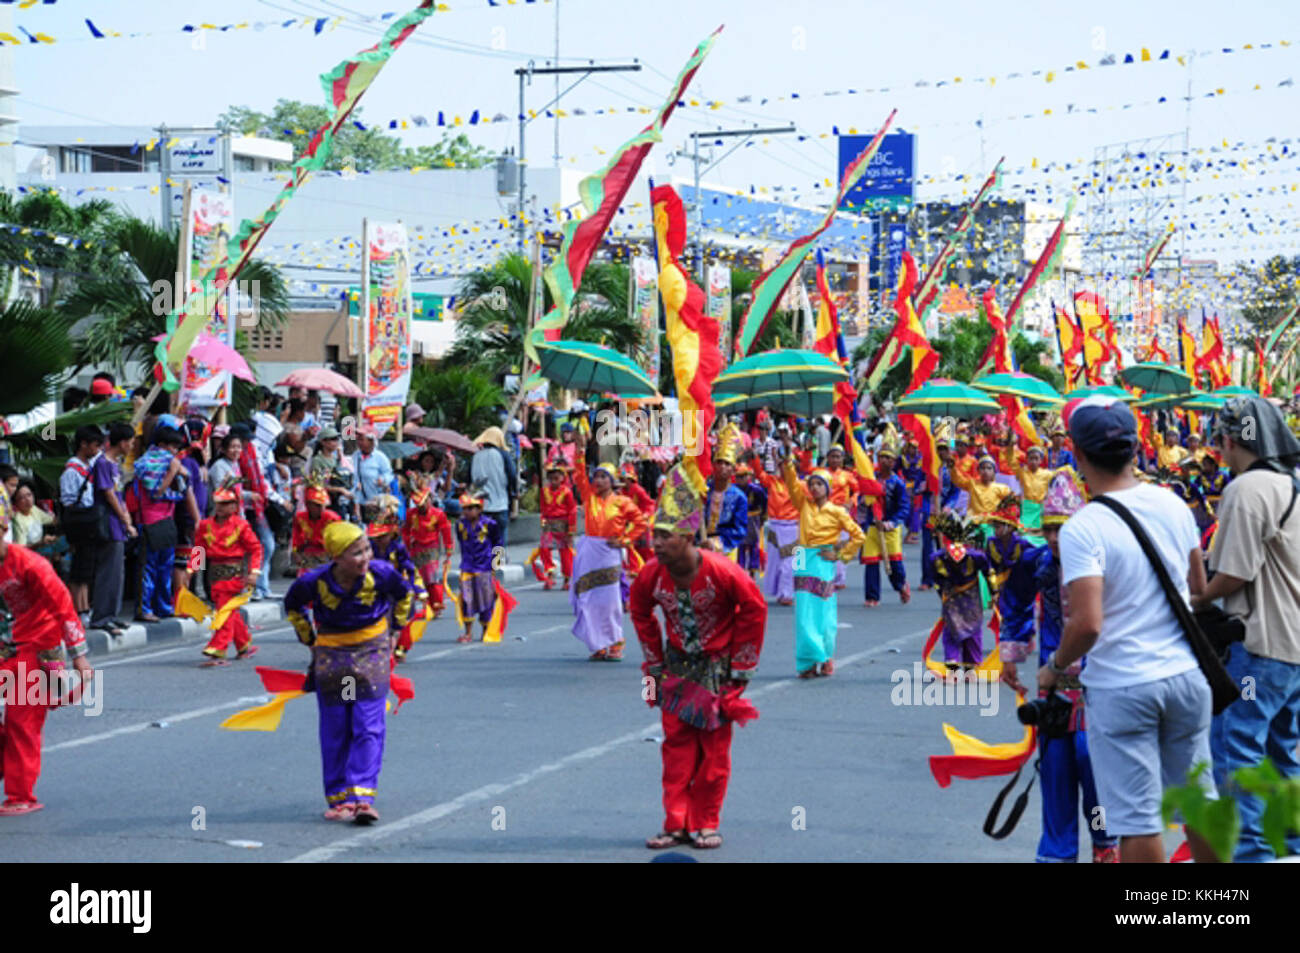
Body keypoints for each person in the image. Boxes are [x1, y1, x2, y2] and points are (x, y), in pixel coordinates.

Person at [1039, 397, 1217, 864]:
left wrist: (1054, 667)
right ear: (1137, 449)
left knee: (1138, 820)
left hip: (1123, 687)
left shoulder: (1084, 527)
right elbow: (1198, 587)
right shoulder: (1173, 504)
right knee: (1198, 804)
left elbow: (1087, 623)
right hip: (1185, 678)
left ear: (1076, 454)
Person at [632, 463, 766, 851]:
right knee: (674, 746)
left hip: (717, 670)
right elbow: (640, 612)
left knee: (714, 750)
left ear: (688, 537)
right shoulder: (650, 575)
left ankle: (706, 821)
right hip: (673, 668)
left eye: (664, 536)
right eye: (654, 536)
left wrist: (740, 668)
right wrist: (652, 666)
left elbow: (755, 608)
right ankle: (675, 823)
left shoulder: (725, 571)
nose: (655, 544)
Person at [1194, 396, 1300, 862]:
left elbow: (1233, 574)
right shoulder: (1291, 485)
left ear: (1231, 439)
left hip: (1258, 649)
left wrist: (1193, 596)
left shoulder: (1248, 489)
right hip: (1293, 649)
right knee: (1283, 751)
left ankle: (1253, 853)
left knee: (1238, 745)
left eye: (1220, 439)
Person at [1002, 470, 1119, 863]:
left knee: (1094, 767)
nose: (1055, 538)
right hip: (1051, 682)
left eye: (1062, 528)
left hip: (1096, 680)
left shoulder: (1098, 558)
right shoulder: (1036, 561)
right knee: (1055, 769)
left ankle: (1105, 844)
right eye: (1049, 528)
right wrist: (1011, 655)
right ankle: (1056, 853)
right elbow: (1015, 601)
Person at [284, 521, 414, 824]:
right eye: (356, 553)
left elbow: (404, 595)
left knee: (367, 724)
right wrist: (310, 641)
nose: (365, 557)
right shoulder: (314, 582)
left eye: (367, 549)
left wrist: (395, 630)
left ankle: (362, 796)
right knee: (339, 725)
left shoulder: (381, 573)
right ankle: (340, 797)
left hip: (371, 657)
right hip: (337, 662)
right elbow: (293, 606)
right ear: (336, 557)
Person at [0, 485, 93, 815]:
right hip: (10, 647)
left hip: (39, 649)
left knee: (22, 723)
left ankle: (21, 795)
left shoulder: (30, 564)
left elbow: (64, 605)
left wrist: (79, 656)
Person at [779, 437, 865, 678]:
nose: (814, 487)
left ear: (827, 488)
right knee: (803, 613)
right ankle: (807, 661)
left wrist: (839, 553)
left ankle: (825, 656)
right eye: (812, 483)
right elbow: (792, 484)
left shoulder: (837, 511)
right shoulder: (803, 504)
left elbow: (858, 535)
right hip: (802, 557)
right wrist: (787, 461)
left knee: (825, 613)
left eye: (819, 484)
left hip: (823, 560)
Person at [570, 430, 648, 661]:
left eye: (604, 477)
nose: (598, 480)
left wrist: (624, 540)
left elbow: (640, 523)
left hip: (609, 553)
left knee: (610, 601)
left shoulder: (623, 502)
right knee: (588, 599)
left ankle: (614, 642)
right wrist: (581, 450)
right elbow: (578, 475)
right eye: (597, 476)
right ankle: (597, 644)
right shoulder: (588, 497)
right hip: (588, 552)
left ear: (613, 481)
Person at [196, 482, 263, 665]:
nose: (221, 507)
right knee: (229, 610)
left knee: (224, 610)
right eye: (218, 503)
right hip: (214, 574)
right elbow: (199, 549)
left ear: (235, 506)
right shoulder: (205, 525)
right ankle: (244, 645)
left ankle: (217, 650)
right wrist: (190, 572)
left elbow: (256, 549)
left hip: (235, 575)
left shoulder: (241, 526)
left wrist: (254, 572)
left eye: (226, 503)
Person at [928, 511, 995, 676]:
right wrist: (994, 592)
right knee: (973, 630)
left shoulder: (937, 557)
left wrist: (943, 593)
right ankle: (971, 667)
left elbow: (936, 581)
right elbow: (989, 573)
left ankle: (952, 664)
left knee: (951, 629)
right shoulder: (977, 556)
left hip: (951, 597)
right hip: (971, 596)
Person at [132, 426, 188, 624]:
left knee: (165, 566)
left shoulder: (170, 461)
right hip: (149, 520)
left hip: (166, 519)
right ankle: (144, 608)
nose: (174, 451)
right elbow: (155, 491)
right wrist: (173, 471)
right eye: (172, 446)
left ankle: (163, 607)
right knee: (149, 568)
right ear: (161, 445)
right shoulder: (149, 462)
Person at [983, 496, 1045, 666]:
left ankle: (1027, 636)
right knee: (1004, 613)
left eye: (999, 526)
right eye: (994, 526)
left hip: (1021, 584)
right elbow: (989, 567)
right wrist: (994, 590)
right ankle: (1006, 642)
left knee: (1024, 612)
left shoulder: (1023, 544)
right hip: (1003, 584)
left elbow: (1035, 563)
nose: (995, 530)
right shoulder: (991, 543)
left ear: (1010, 527)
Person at [365, 495, 427, 662]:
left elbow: (410, 568)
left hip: (398, 587)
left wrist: (418, 588)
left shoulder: (398, 549)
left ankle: (400, 648)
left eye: (382, 536)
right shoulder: (369, 549)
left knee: (402, 619)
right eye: (376, 537)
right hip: (378, 588)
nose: (379, 540)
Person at [88, 422, 136, 637]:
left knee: (117, 571)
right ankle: (101, 617)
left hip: (117, 522)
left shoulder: (114, 463)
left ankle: (111, 613)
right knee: (108, 570)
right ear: (123, 442)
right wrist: (125, 518)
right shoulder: (103, 464)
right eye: (131, 441)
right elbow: (108, 494)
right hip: (108, 522)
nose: (132, 445)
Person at [59, 424, 104, 620]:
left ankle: (85, 606)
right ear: (83, 444)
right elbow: (68, 500)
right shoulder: (71, 470)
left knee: (87, 566)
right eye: (95, 445)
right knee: (79, 567)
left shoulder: (87, 467)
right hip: (79, 522)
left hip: (88, 520)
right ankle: (79, 608)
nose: (97, 449)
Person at [860, 438, 911, 607]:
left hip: (890, 528)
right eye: (882, 457)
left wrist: (891, 523)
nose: (884, 461)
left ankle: (901, 585)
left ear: (894, 461)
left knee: (894, 564)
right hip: (873, 527)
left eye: (888, 458)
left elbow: (904, 508)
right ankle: (872, 596)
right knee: (871, 561)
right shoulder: (871, 479)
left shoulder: (898, 484)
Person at [454, 492, 502, 644]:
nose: (467, 512)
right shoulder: (460, 525)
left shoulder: (489, 524)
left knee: (486, 601)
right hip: (467, 567)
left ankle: (486, 630)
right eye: (465, 509)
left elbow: (498, 543)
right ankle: (468, 632)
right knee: (467, 600)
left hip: (485, 567)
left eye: (471, 508)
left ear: (479, 509)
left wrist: (496, 566)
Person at [755, 450, 799, 606]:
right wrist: (754, 457)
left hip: (793, 528)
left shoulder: (800, 486)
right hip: (775, 527)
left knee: (791, 563)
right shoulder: (773, 481)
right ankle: (781, 592)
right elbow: (759, 474)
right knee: (775, 563)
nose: (784, 469)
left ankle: (789, 593)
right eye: (781, 466)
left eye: (787, 466)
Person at [402, 481, 453, 615]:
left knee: (431, 577)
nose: (422, 506)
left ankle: (435, 606)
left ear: (429, 499)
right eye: (419, 504)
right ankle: (423, 606)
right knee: (417, 577)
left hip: (432, 548)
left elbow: (446, 531)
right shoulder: (411, 514)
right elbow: (406, 530)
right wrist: (406, 545)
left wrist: (448, 549)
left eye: (424, 502)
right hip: (416, 547)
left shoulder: (438, 514)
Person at [702, 426, 748, 559]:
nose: (722, 466)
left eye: (727, 464)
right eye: (719, 462)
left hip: (726, 551)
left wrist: (715, 543)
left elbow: (739, 530)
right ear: (713, 465)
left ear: (733, 470)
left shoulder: (739, 498)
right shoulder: (703, 491)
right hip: (701, 547)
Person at [470, 426, 515, 551]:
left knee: (483, 537)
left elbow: (470, 479)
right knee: (499, 537)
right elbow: (512, 475)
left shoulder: (475, 456)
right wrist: (514, 494)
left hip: (481, 506)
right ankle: (498, 564)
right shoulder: (503, 455)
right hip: (500, 504)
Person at [534, 464, 577, 590]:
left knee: (565, 552)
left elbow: (572, 511)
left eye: (556, 478)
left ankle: (567, 579)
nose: (553, 481)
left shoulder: (567, 492)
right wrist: (543, 525)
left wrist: (571, 530)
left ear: (562, 478)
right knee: (544, 549)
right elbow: (542, 509)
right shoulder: (544, 491)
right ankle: (550, 575)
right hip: (548, 524)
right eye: (551, 478)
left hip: (563, 525)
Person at [291, 482, 342, 576]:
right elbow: (296, 538)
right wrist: (296, 553)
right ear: (308, 505)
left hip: (327, 554)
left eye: (323, 505)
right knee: (305, 581)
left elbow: (339, 541)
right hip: (308, 552)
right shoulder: (300, 517)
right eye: (317, 505)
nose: (322, 509)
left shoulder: (333, 518)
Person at [309, 427, 354, 522]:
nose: (336, 442)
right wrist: (340, 490)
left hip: (341, 500)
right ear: (323, 442)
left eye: (337, 439)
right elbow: (318, 484)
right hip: (327, 501)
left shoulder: (336, 459)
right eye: (333, 439)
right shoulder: (318, 460)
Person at [734, 464, 767, 581]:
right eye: (738, 476)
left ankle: (753, 571)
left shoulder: (756, 489)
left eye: (743, 476)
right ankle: (741, 570)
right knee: (740, 546)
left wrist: (763, 517)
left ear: (748, 476)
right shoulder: (733, 489)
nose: (741, 479)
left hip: (753, 519)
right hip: (739, 520)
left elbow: (764, 503)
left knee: (754, 545)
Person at [351, 428, 394, 513]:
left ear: (371, 441)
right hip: (359, 503)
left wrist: (383, 479)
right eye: (358, 440)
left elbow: (389, 474)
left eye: (362, 440)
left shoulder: (380, 457)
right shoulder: (355, 456)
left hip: (376, 502)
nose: (359, 443)